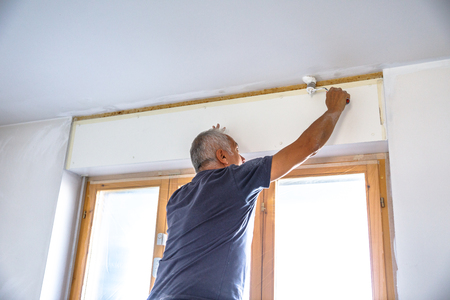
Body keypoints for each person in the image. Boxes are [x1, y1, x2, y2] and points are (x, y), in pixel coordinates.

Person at [147, 87, 350, 300]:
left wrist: (212, 141)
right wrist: (334, 109)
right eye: (237, 150)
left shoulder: (177, 199)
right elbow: (309, 145)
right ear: (222, 156)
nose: (243, 159)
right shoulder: (234, 178)